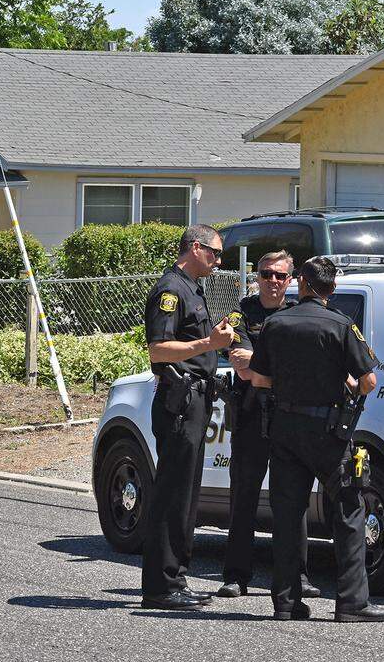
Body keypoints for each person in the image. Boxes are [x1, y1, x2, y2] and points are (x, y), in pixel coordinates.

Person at [242, 256, 384, 622]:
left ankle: (286, 602)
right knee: (349, 510)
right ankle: (352, 603)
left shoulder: (275, 323)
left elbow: (258, 379)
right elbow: (369, 381)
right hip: (329, 432)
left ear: (302, 284)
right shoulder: (341, 325)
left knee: (288, 515)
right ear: (332, 289)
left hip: (284, 428)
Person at [140, 224, 234, 610]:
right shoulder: (171, 290)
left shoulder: (193, 289)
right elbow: (159, 350)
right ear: (195, 247)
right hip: (179, 401)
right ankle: (160, 586)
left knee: (187, 495)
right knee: (172, 493)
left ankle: (174, 578)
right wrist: (209, 342)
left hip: (196, 399)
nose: (218, 261)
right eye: (214, 252)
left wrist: (216, 345)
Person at [218, 250, 319, 600]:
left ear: (290, 280)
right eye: (266, 274)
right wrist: (278, 364)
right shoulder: (241, 314)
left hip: (289, 417)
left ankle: (297, 576)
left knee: (292, 499)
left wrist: (259, 360)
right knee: (244, 496)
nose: (273, 281)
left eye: (279, 275)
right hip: (250, 416)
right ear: (256, 277)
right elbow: (243, 369)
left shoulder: (297, 312)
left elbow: (301, 366)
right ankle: (235, 576)